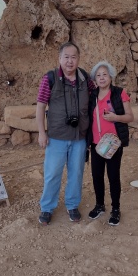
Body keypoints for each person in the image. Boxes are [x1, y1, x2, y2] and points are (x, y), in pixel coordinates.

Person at [36, 42, 95, 225]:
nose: (70, 61)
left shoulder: (85, 78)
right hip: (56, 137)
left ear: (78, 59)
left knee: (76, 173)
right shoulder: (50, 78)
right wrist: (41, 132)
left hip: (79, 137)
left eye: (73, 57)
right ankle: (47, 208)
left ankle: (72, 205)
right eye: (66, 57)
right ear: (60, 58)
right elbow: (40, 106)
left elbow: (97, 98)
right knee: (53, 173)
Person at [87, 61, 134, 226]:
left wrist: (116, 118)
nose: (101, 78)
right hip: (96, 144)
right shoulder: (92, 95)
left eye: (104, 74)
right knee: (97, 176)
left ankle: (115, 209)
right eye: (98, 75)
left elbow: (130, 117)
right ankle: (99, 205)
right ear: (94, 79)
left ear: (111, 76)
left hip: (113, 144)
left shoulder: (119, 93)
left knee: (113, 177)